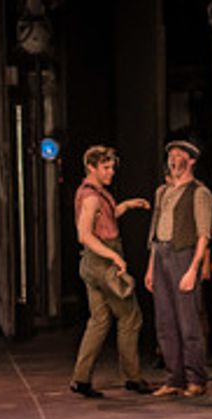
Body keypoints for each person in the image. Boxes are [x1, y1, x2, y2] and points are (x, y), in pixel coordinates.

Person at [69, 144, 153, 398]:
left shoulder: (93, 193)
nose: (110, 172)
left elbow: (104, 218)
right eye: (105, 168)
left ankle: (81, 378)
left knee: (99, 320)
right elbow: (85, 235)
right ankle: (133, 377)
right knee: (130, 317)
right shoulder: (92, 196)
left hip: (95, 261)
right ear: (91, 167)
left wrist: (126, 206)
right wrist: (113, 255)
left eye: (112, 167)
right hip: (102, 260)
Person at [144, 140, 212, 397]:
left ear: (191, 160)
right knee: (165, 321)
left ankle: (196, 378)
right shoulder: (162, 191)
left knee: (188, 321)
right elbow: (154, 232)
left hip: (183, 254)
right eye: (170, 155)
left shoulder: (199, 192)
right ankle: (174, 378)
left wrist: (194, 268)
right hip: (161, 254)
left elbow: (203, 234)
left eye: (179, 155)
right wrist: (151, 268)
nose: (173, 159)